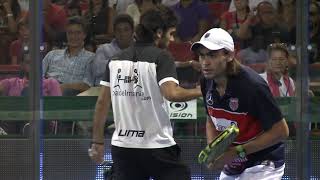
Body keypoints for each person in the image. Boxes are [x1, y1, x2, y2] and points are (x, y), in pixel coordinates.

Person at [89, 9, 201, 179]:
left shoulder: (115, 60)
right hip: (157, 148)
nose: (171, 39)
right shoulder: (162, 57)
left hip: (123, 148)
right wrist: (202, 90)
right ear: (158, 33)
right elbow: (171, 93)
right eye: (170, 34)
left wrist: (97, 142)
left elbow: (102, 104)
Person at [190, 28, 289, 179]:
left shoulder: (252, 86)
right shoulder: (206, 80)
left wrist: (237, 152)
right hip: (234, 163)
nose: (205, 62)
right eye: (202, 56)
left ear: (229, 55)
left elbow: (281, 131)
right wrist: (214, 150)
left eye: (212, 55)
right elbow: (211, 118)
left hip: (263, 163)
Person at [92, 14, 134, 86]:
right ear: (114, 32)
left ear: (133, 32)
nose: (122, 34)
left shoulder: (140, 50)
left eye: (126, 30)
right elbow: (96, 70)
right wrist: (115, 61)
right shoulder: (103, 49)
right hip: (106, 91)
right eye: (118, 30)